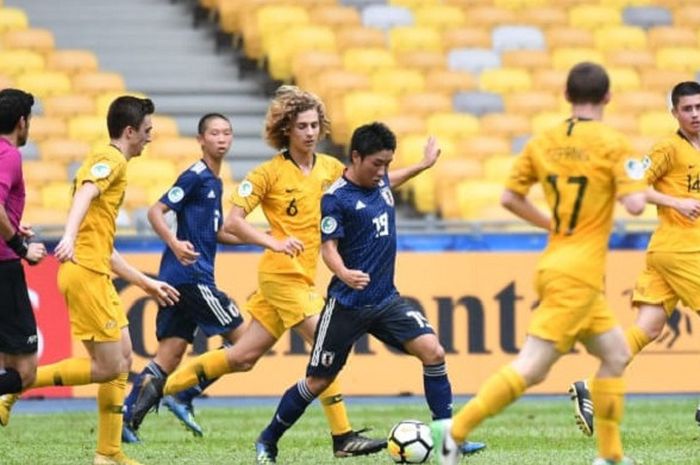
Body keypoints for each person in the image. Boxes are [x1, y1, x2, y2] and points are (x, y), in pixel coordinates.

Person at [129, 86, 387, 458]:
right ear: (287, 129)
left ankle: (159, 392)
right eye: (302, 126)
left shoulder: (331, 169)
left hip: (300, 276)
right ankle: (342, 437)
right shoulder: (266, 174)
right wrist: (272, 241)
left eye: (315, 125)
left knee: (242, 357)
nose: (311, 132)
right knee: (326, 343)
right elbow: (233, 222)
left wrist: (419, 167)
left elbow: (372, 177)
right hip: (280, 277)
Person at [430, 62, 648, 465]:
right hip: (579, 273)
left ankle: (611, 457)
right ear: (608, 98)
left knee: (615, 354)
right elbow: (635, 205)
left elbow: (509, 199)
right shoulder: (614, 145)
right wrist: (641, 177)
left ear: (566, 96)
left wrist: (553, 224)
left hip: (556, 261)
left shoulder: (542, 141)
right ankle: (454, 432)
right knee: (532, 368)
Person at [253, 122, 485, 464]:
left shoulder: (381, 181)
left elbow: (394, 179)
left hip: (386, 300)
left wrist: (422, 164)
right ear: (356, 157)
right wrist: (343, 272)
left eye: (387, 163)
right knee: (318, 381)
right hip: (347, 304)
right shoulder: (336, 198)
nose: (383, 171)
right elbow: (328, 247)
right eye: (377, 163)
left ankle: (448, 441)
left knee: (433, 351)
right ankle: (268, 439)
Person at [0, 96, 180, 465]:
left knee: (124, 357)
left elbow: (104, 245)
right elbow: (85, 193)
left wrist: (146, 283)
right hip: (86, 276)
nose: (151, 137)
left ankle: (108, 452)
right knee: (108, 367)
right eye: (147, 131)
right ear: (129, 131)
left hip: (95, 271)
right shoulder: (109, 159)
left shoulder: (112, 162)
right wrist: (67, 235)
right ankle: (14, 390)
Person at [569, 81, 700, 437]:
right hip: (682, 249)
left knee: (649, 328)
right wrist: (676, 203)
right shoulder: (668, 149)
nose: (695, 114)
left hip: (668, 256)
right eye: (687, 109)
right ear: (674, 113)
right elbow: (633, 183)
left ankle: (591, 388)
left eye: (699, 107)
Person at [121, 113, 246, 443]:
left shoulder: (215, 182)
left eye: (227, 133)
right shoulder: (196, 175)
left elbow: (215, 232)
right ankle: (186, 394)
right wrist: (174, 243)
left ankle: (129, 419)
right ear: (200, 140)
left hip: (178, 280)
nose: (222, 138)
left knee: (169, 356)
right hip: (192, 278)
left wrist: (264, 239)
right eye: (215, 133)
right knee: (245, 341)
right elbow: (155, 211)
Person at [0, 88, 47, 403]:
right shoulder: (9, 155)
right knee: (25, 371)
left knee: (8, 361)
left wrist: (14, 224)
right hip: (4, 268)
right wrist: (20, 246)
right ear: (22, 122)